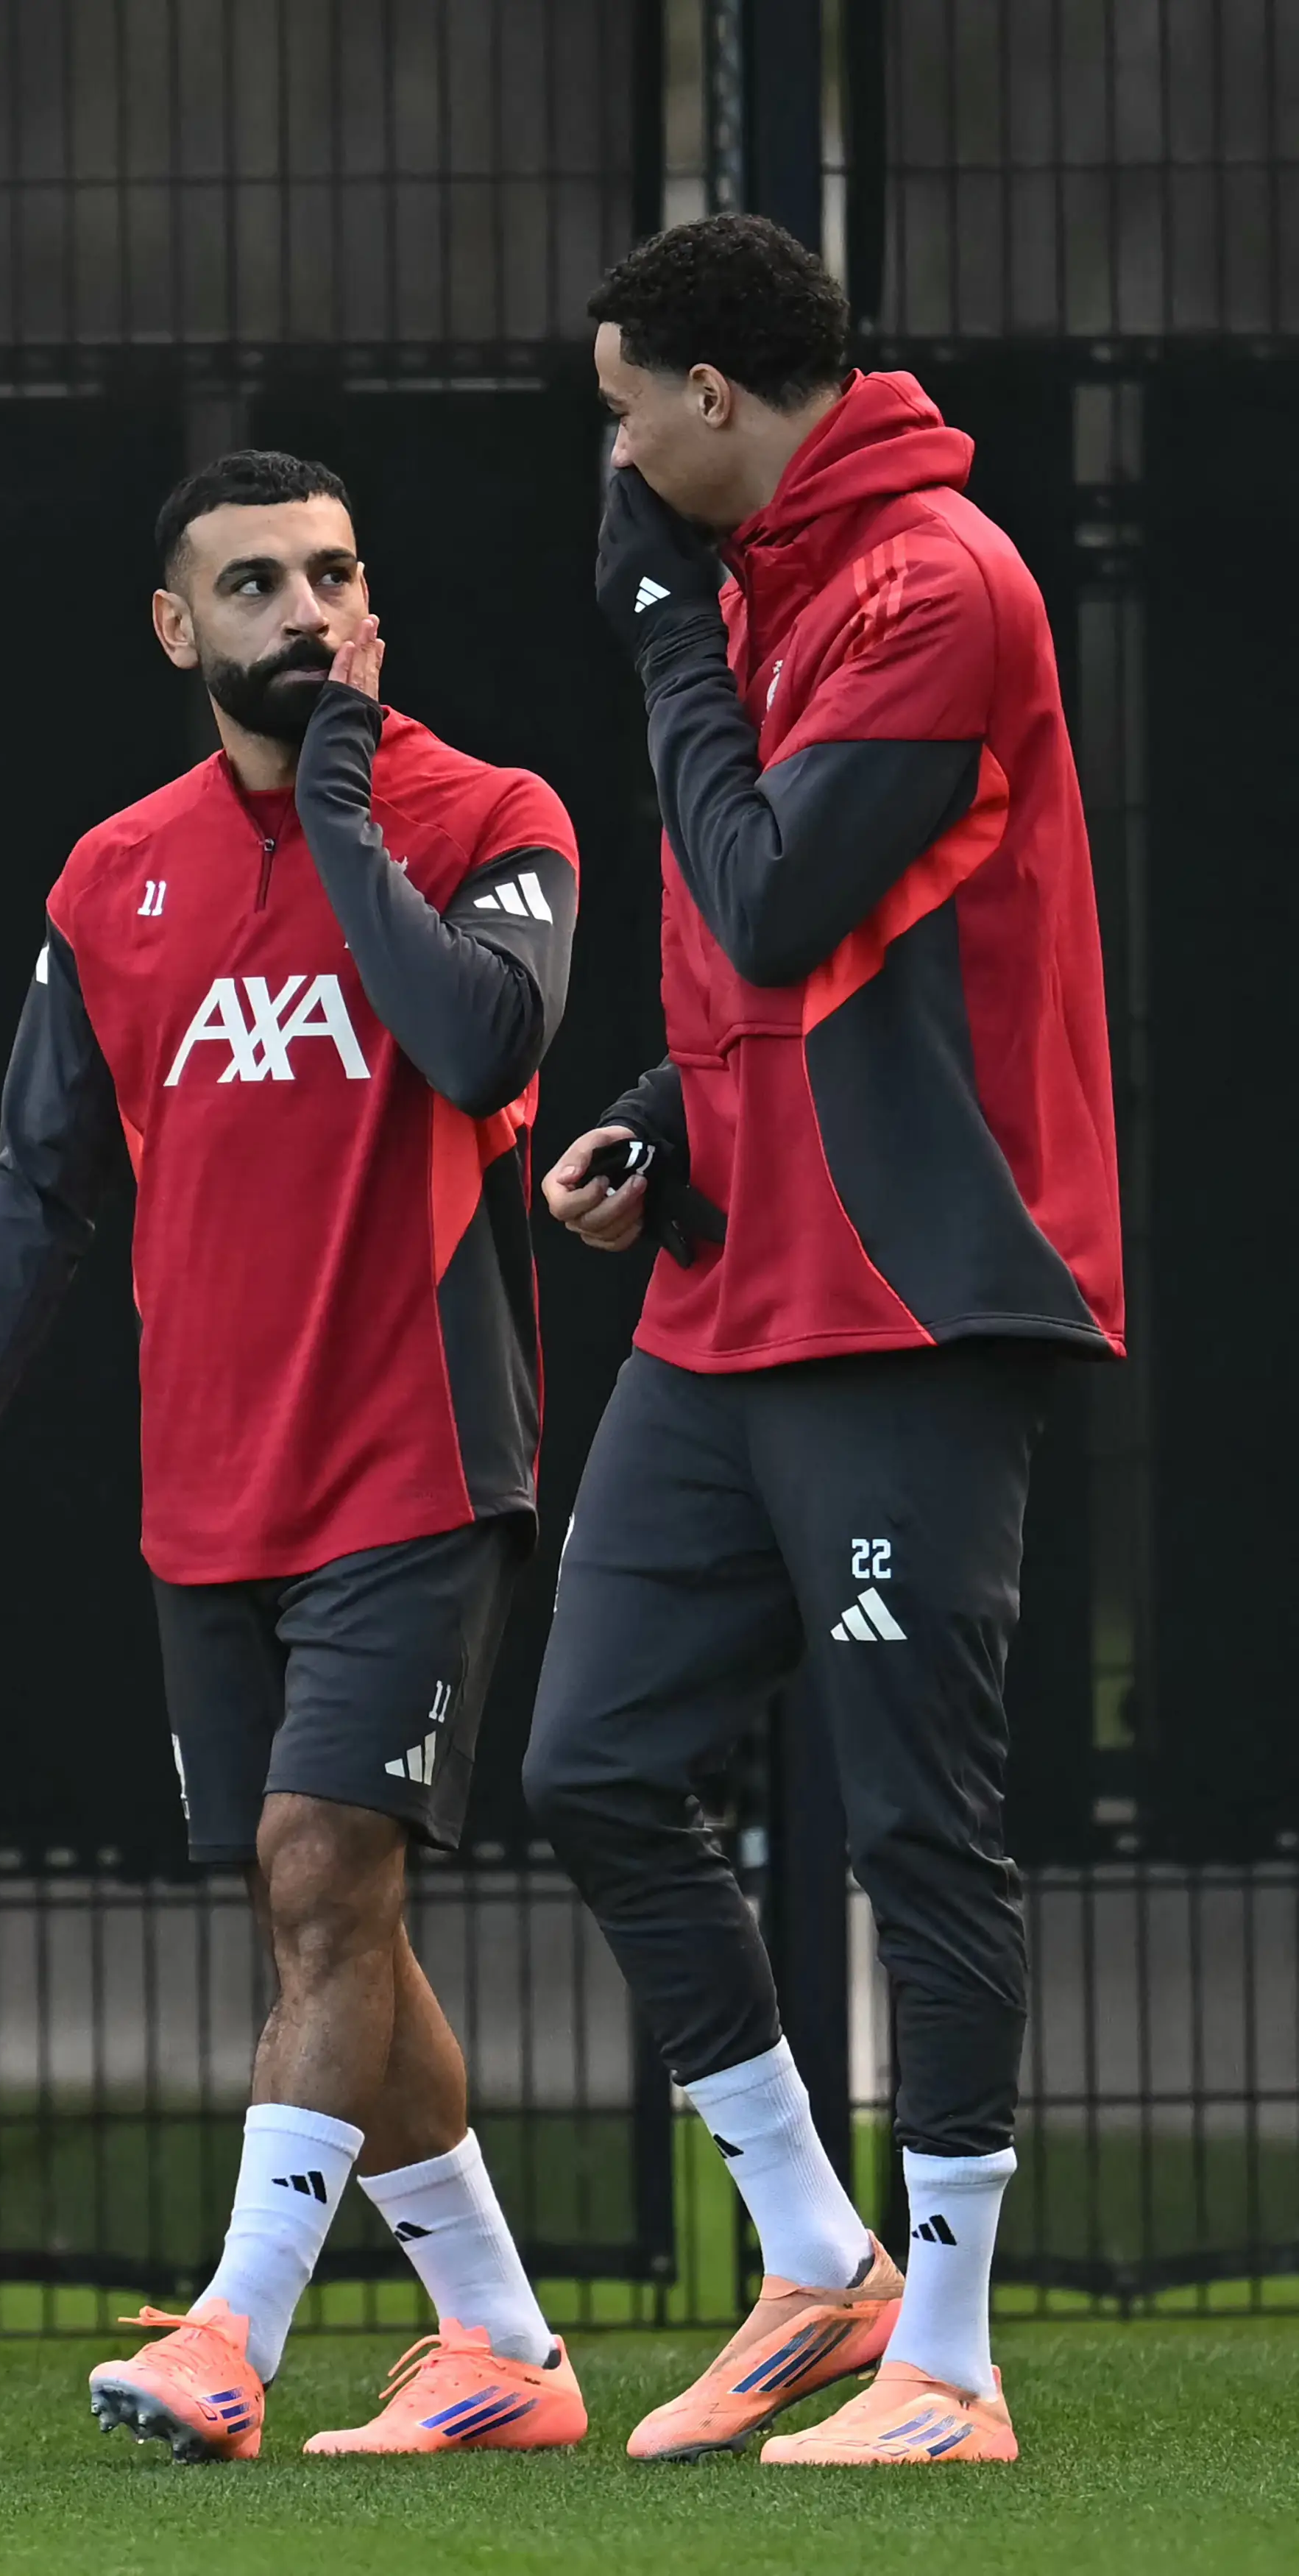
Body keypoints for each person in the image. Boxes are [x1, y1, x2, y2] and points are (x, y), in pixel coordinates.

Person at [0, 449, 588, 2463]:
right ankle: (501, 2339)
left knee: (316, 1870)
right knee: (326, 1921)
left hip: (422, 1456)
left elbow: (478, 1051)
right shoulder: (114, 878)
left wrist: (343, 797)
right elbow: (36, 1181)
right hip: (213, 1478)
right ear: (178, 631)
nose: (303, 610)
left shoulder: (490, 818)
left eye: (335, 573)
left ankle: (231, 2332)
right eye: (254, 583)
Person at [526, 215, 1123, 2469]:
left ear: (703, 398)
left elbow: (778, 895)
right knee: (589, 1761)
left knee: (913, 1822)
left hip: (911, 1296)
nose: (607, 459)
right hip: (729, 1280)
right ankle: (810, 2256)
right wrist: (654, 1120)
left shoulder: (934, 581)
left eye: (614, 410)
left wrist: (669, 631)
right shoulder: (776, 583)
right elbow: (797, 958)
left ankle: (948, 2363)